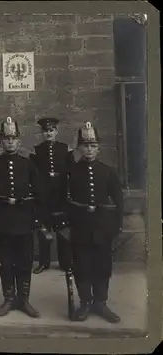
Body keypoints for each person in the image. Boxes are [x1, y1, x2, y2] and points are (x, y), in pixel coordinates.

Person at [0, 117, 43, 318]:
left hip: (25, 222)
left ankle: (24, 300)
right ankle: (9, 299)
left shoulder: (28, 165)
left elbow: (41, 193)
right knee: (7, 262)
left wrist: (37, 219)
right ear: (0, 142)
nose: (10, 142)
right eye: (6, 138)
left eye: (13, 138)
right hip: (2, 222)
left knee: (25, 261)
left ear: (19, 141)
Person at [58, 121, 123, 323]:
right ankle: (85, 302)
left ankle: (100, 303)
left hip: (103, 228)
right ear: (79, 147)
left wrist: (115, 227)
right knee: (83, 266)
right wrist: (64, 227)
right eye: (85, 145)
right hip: (80, 228)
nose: (89, 149)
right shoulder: (70, 172)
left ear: (98, 148)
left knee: (103, 266)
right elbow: (59, 201)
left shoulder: (108, 171)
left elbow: (119, 202)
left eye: (93, 146)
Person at [30, 117, 74, 274]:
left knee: (63, 229)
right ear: (42, 133)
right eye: (45, 131)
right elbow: (34, 174)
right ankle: (44, 262)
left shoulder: (65, 149)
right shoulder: (37, 151)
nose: (48, 133)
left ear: (56, 131)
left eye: (51, 130)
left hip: (61, 194)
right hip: (44, 195)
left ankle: (65, 262)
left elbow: (71, 171)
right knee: (44, 230)